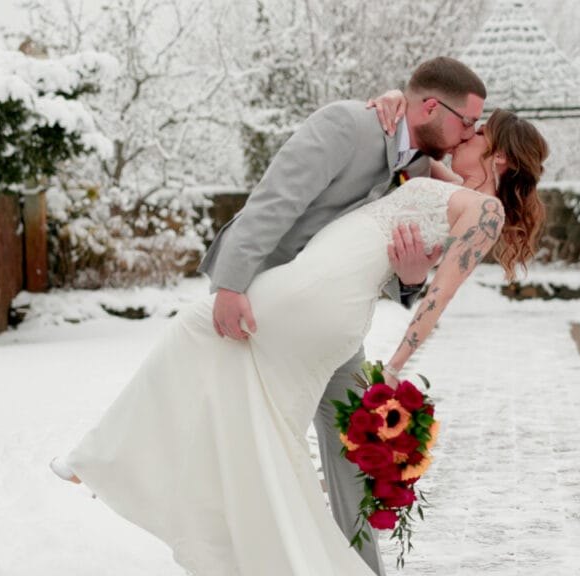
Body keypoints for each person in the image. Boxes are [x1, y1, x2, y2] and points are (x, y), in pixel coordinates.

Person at [51, 108, 549, 575]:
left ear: (500, 158)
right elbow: (404, 143)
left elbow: (438, 296)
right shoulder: (441, 178)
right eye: (469, 123)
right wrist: (392, 99)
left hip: (318, 296)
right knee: (267, 425)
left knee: (198, 331)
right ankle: (288, 552)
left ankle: (106, 463)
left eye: (479, 132)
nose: (467, 134)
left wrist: (396, 363)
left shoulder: (486, 211)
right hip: (319, 294)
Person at [198, 56, 486, 575]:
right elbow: (274, 201)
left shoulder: (421, 170)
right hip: (264, 303)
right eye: (467, 122)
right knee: (251, 440)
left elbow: (385, 253)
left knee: (357, 443)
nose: (469, 134)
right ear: (429, 106)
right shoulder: (348, 124)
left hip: (334, 325)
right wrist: (231, 284)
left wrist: (412, 276)